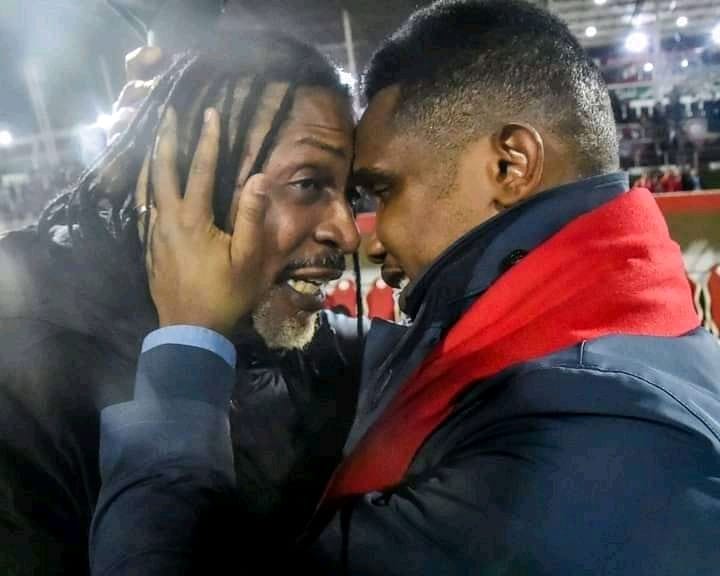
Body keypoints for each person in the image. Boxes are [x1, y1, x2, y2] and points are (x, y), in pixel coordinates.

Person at [92, 0, 720, 574]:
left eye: (383, 190)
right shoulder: (588, 321)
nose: (366, 237)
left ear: (510, 164)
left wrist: (188, 344)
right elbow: (367, 355)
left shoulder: (594, 437)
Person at [0, 30, 363, 574]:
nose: (348, 231)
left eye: (350, 192)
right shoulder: (27, 378)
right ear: (182, 179)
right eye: (309, 183)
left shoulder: (308, 346)